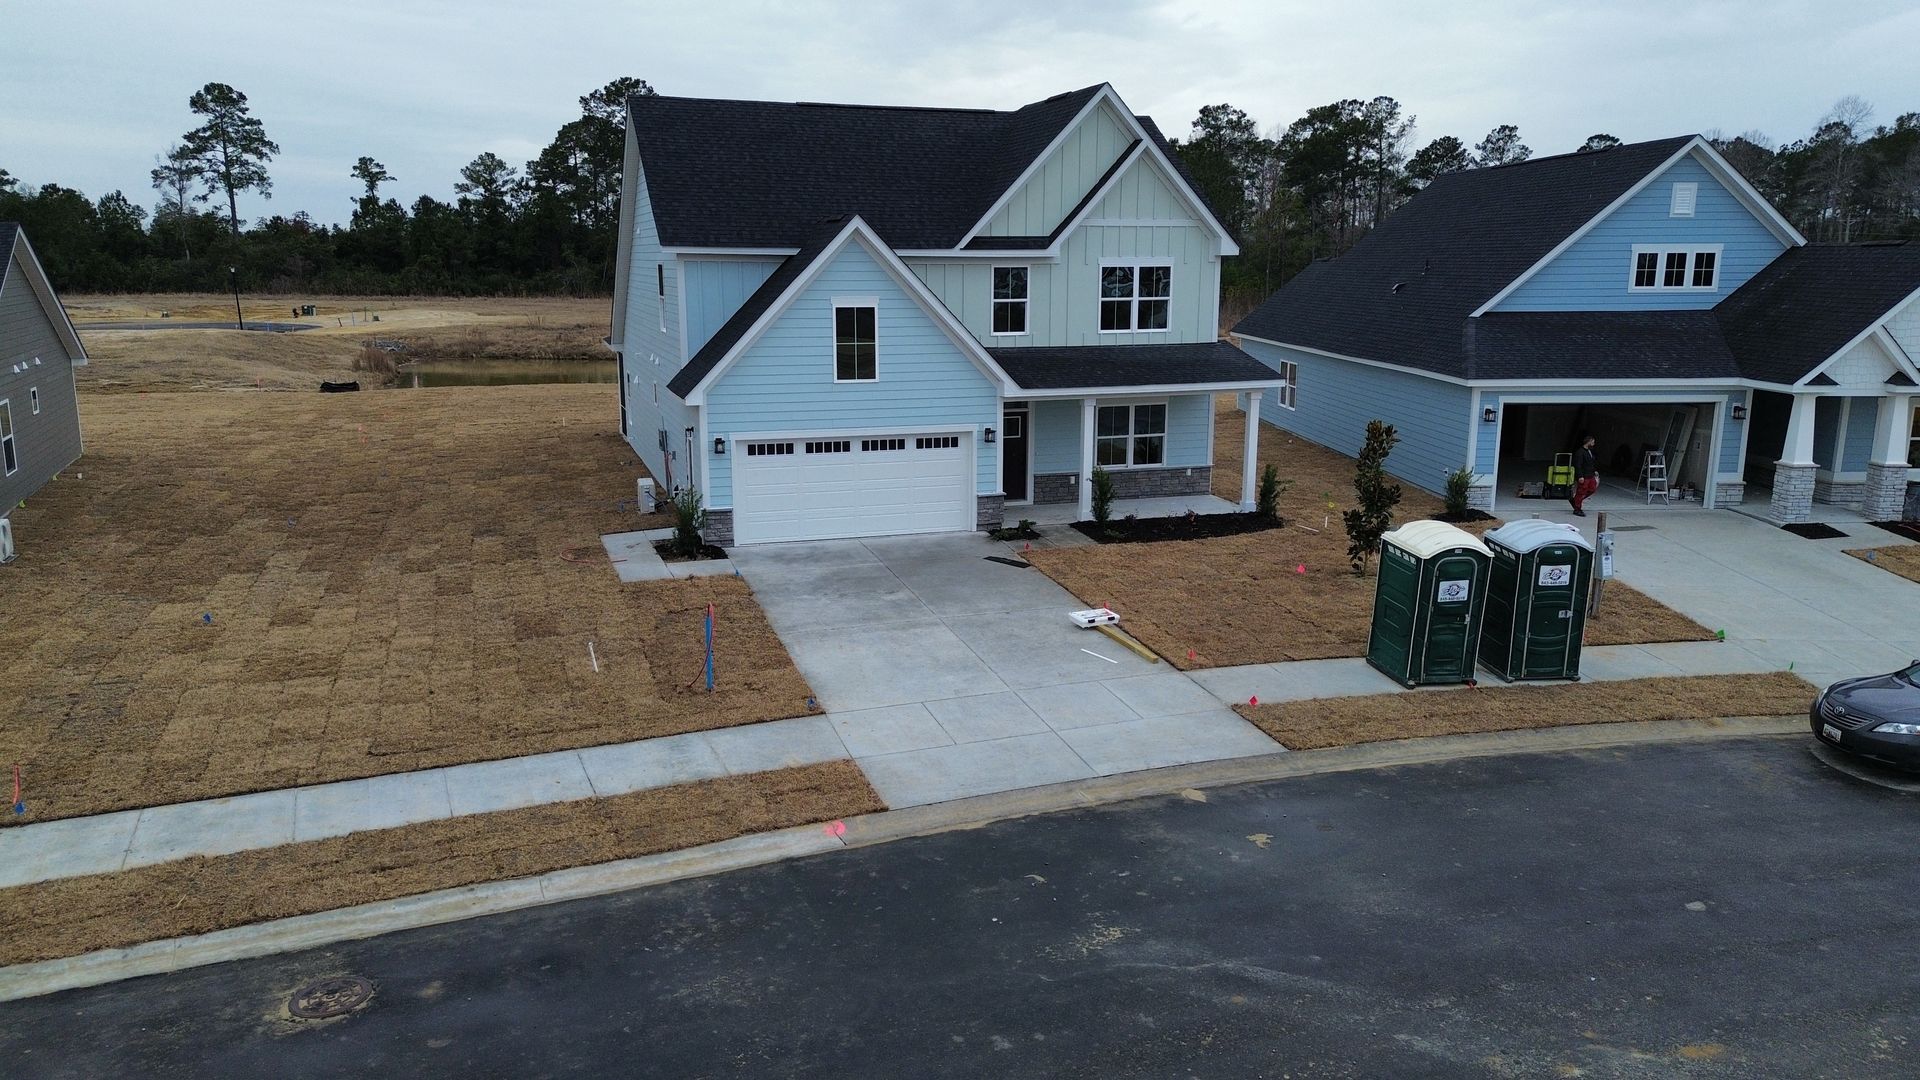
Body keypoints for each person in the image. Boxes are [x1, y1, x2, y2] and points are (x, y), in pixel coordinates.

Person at [1571, 433, 1600, 516]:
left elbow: (1591, 463)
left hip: (1590, 474)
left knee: (1592, 489)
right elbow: (1578, 465)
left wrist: (1594, 471)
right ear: (1589, 442)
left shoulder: (1590, 451)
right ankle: (1577, 508)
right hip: (1584, 475)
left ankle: (1576, 500)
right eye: (1593, 442)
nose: (1594, 444)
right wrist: (1580, 476)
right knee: (1581, 491)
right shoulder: (1580, 452)